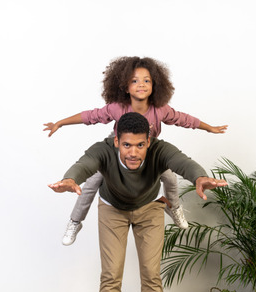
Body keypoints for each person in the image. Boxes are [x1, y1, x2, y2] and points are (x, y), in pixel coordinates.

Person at [48, 112, 228, 292]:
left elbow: (183, 162)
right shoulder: (103, 150)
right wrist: (70, 178)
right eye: (127, 145)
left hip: (149, 210)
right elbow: (84, 164)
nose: (133, 153)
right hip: (112, 211)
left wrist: (199, 176)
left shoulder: (160, 150)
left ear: (149, 141)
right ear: (117, 141)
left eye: (140, 145)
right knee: (110, 279)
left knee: (151, 278)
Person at [44, 56, 227, 246]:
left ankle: (174, 209)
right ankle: (75, 222)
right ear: (124, 86)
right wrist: (60, 123)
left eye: (146, 80)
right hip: (119, 148)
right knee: (92, 182)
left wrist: (210, 128)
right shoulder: (117, 108)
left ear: (155, 84)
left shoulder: (160, 109)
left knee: (170, 178)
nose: (141, 84)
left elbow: (184, 119)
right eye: (134, 80)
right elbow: (90, 116)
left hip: (148, 148)